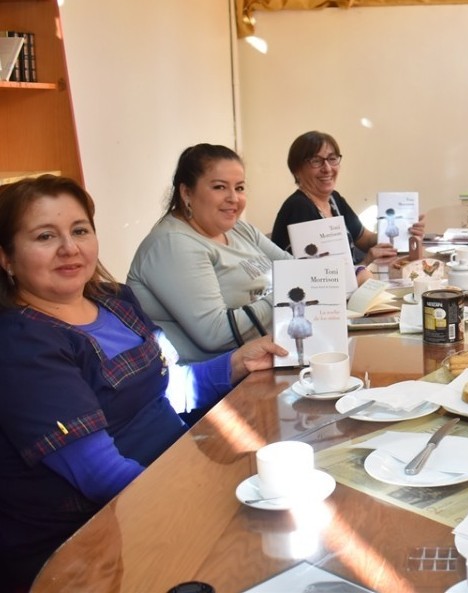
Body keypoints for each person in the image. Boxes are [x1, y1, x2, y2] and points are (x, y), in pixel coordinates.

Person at [0, 175, 287, 590]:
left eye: (80, 230)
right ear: (7, 258)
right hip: (87, 546)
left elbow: (166, 388)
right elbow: (101, 474)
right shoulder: (21, 344)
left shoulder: (114, 301)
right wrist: (215, 499)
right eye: (45, 236)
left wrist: (235, 364)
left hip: (168, 484)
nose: (69, 248)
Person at [127, 144, 292, 363]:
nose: (233, 198)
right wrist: (288, 295)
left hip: (266, 357)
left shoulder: (240, 229)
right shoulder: (172, 244)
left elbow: (295, 269)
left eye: (240, 188)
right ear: (187, 193)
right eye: (220, 187)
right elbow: (217, 335)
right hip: (214, 383)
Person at [270, 130, 425, 272]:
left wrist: (405, 229)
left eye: (332, 159)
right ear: (296, 169)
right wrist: (366, 261)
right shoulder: (300, 208)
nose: (327, 168)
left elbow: (365, 239)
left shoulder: (334, 199)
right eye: (316, 161)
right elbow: (320, 279)